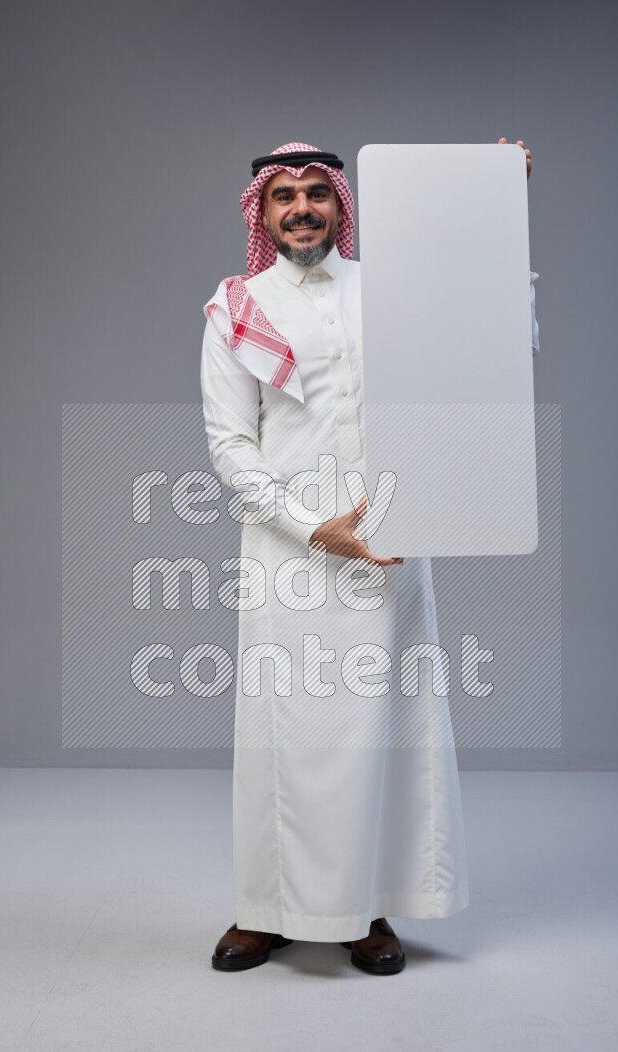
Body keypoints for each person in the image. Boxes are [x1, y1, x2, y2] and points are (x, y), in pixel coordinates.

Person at [200, 140, 537, 975]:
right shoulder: (237, 306)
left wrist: (494, 205)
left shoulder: (390, 289)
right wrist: (315, 527)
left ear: (340, 205)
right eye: (285, 196)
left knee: (382, 733)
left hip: (390, 532)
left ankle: (368, 911)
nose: (303, 208)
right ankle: (264, 907)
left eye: (318, 192)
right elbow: (230, 448)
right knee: (288, 738)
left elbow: (484, 333)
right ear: (262, 212)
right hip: (292, 549)